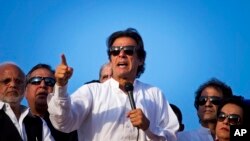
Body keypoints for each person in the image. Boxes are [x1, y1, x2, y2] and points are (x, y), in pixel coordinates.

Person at [48, 28, 179, 141]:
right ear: (110, 60)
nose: (121, 54)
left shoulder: (154, 94)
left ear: (140, 59)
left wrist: (148, 127)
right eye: (115, 51)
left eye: (128, 50)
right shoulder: (92, 92)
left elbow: (172, 137)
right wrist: (61, 85)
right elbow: (63, 122)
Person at [0, 62, 54, 141]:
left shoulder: (39, 123)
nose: (13, 85)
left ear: (24, 88)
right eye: (6, 81)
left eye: (18, 81)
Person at [25, 63, 78, 141]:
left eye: (49, 82)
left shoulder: (68, 126)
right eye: (36, 81)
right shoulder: (13, 123)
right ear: (25, 91)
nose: (42, 85)